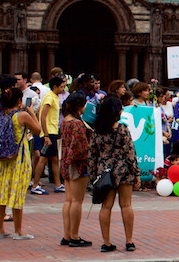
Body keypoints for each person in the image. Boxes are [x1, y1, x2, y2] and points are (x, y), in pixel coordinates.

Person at [0, 86, 43, 240]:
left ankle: (0, 229)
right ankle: (18, 231)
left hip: (3, 158)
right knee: (17, 193)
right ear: (20, 100)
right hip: (18, 158)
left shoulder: (2, 114)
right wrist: (32, 113)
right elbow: (37, 130)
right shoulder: (21, 116)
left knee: (1, 192)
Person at [88, 97, 140, 252]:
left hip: (104, 171)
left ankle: (106, 242)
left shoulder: (97, 131)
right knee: (126, 205)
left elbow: (92, 155)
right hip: (123, 170)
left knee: (106, 207)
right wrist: (136, 173)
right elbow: (130, 153)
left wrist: (93, 177)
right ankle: (129, 241)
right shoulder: (122, 129)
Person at [58, 93, 92, 247]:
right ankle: (75, 236)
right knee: (77, 201)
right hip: (78, 164)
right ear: (79, 106)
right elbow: (81, 148)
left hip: (65, 162)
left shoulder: (65, 122)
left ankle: (67, 235)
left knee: (68, 200)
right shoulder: (77, 124)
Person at [33, 76, 66, 195]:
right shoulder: (49, 97)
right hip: (49, 133)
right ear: (55, 86)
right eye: (61, 87)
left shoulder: (54, 97)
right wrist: (45, 135)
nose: (63, 89)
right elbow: (42, 115)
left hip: (54, 132)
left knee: (55, 159)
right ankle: (35, 184)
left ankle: (58, 184)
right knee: (43, 158)